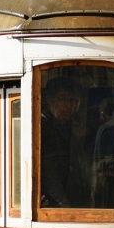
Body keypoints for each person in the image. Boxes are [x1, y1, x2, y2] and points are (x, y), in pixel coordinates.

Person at [40, 77, 81, 208]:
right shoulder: (44, 126)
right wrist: (64, 204)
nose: (69, 105)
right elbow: (49, 172)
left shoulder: (64, 126)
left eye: (73, 101)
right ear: (49, 99)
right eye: (63, 99)